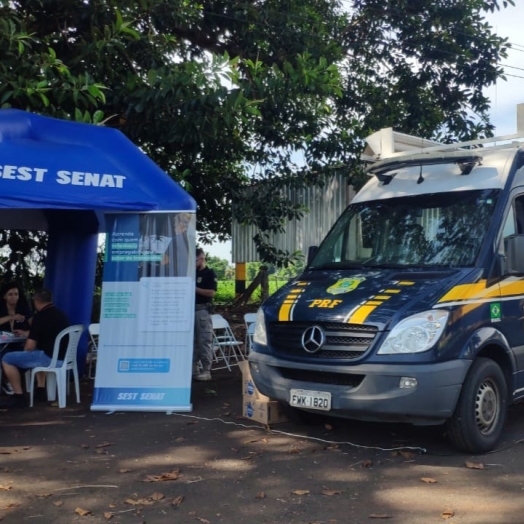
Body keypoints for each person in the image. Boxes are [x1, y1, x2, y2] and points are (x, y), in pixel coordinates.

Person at [0, 288, 70, 408]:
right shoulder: (61, 314)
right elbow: (46, 333)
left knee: (7, 358)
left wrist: (23, 358)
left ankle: (18, 396)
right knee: (35, 353)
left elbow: (30, 346)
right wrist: (26, 333)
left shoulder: (40, 317)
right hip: (64, 358)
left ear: (36, 301)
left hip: (48, 358)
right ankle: (40, 389)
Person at [0, 282, 33, 395]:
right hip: (2, 344)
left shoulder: (24, 309)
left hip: (18, 343)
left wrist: (25, 332)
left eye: (16, 294)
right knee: (3, 354)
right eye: (10, 294)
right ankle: (6, 380)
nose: (14, 297)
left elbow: (35, 327)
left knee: (26, 354)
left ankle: (9, 380)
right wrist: (11, 317)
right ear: (4, 296)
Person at [193, 248, 217, 381]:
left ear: (201, 259)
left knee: (204, 340)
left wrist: (195, 289)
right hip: (190, 310)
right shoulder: (192, 273)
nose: (194, 263)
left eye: (195, 260)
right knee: (193, 342)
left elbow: (211, 292)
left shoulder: (209, 273)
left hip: (202, 310)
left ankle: (206, 370)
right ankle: (194, 370)